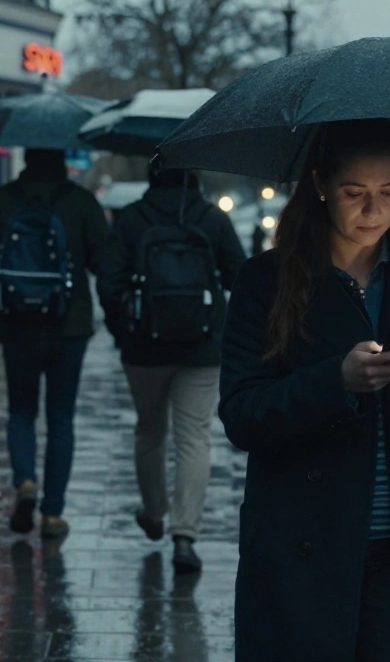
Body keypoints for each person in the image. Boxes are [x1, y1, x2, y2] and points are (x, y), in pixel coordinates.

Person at [219, 119, 390, 661]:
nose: (373, 210)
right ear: (321, 185)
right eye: (354, 193)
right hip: (304, 548)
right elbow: (241, 414)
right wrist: (335, 383)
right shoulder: (265, 281)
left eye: (389, 193)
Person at [96, 167, 246, 575]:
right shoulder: (212, 219)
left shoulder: (131, 218)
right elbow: (241, 276)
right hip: (201, 348)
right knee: (194, 436)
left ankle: (154, 511)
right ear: (194, 178)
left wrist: (122, 329)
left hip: (144, 348)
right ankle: (185, 535)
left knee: (149, 430)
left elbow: (108, 284)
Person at [0, 148, 110, 540]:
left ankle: (25, 480)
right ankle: (52, 513)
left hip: (18, 325)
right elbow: (105, 260)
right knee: (61, 418)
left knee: (21, 410)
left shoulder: (3, 200)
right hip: (70, 325)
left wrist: (0, 300)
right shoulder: (79, 202)